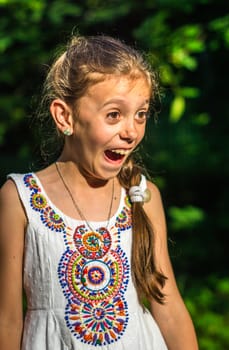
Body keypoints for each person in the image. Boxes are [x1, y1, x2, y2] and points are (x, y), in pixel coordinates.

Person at [0, 34, 198, 350]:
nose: (131, 131)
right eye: (114, 115)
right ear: (65, 116)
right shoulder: (19, 198)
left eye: (141, 114)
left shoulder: (143, 197)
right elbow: (6, 318)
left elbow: (168, 305)